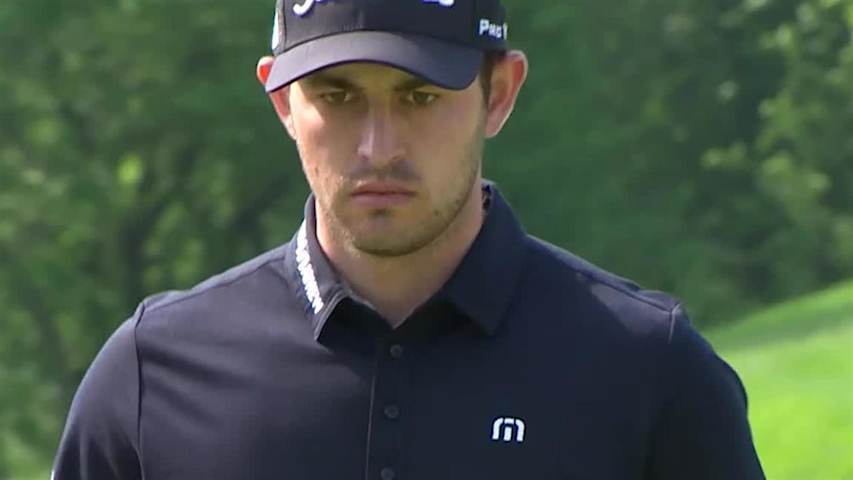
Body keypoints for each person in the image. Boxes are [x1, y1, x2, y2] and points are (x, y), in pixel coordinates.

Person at [52, 0, 766, 478]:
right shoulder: (151, 375)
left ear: (500, 92)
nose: (377, 147)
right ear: (282, 101)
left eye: (419, 96)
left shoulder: (647, 370)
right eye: (337, 96)